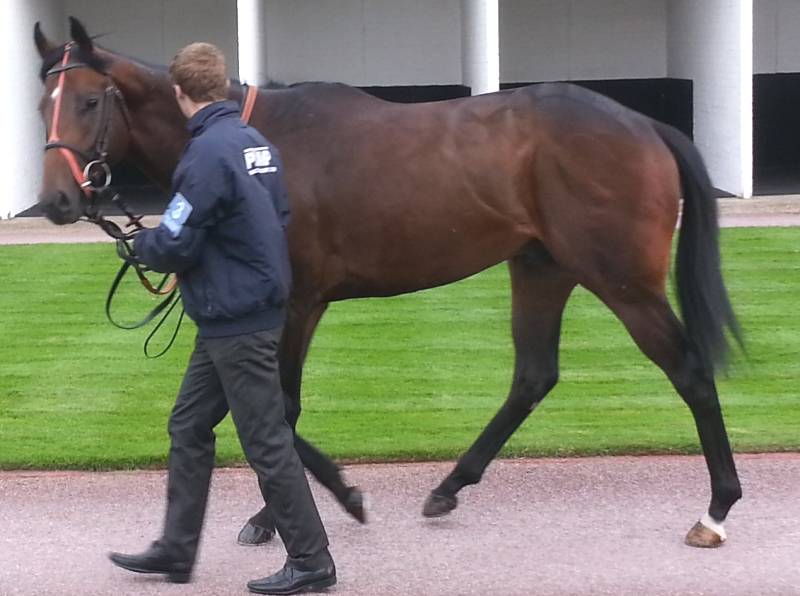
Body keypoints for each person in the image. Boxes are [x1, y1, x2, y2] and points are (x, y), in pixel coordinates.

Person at [108, 42, 336, 595]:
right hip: (235, 314)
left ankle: (312, 560)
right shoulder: (258, 144)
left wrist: (140, 246)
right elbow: (275, 215)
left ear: (179, 93)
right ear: (220, 85)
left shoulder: (204, 154)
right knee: (188, 426)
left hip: (237, 321)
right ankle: (176, 549)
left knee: (266, 441)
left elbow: (176, 242)